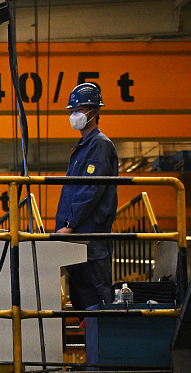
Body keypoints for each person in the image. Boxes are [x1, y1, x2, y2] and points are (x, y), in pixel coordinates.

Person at [54, 82, 118, 310]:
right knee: (82, 300)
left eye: (80, 110)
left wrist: (70, 224)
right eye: (72, 111)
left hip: (91, 237)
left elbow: (90, 189)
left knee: (97, 299)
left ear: (95, 111)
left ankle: (107, 346)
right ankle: (93, 346)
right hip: (78, 237)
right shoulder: (83, 146)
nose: (75, 115)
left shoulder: (99, 145)